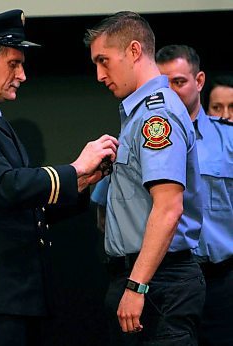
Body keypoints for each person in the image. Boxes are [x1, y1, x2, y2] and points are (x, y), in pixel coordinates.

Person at [0, 9, 118, 345]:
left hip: (14, 294)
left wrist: (88, 180)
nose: (23, 75)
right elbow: (6, 187)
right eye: (14, 63)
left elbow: (25, 206)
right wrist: (75, 169)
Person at [84, 11, 205, 345]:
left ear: (134, 51)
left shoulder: (156, 115)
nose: (99, 74)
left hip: (157, 281)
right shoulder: (138, 113)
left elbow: (169, 209)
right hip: (144, 276)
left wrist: (137, 286)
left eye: (104, 60)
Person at [156, 44, 233, 346]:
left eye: (178, 82)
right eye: (163, 84)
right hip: (167, 281)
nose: (170, 92)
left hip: (220, 281)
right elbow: (108, 210)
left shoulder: (227, 138)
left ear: (199, 81)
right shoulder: (142, 138)